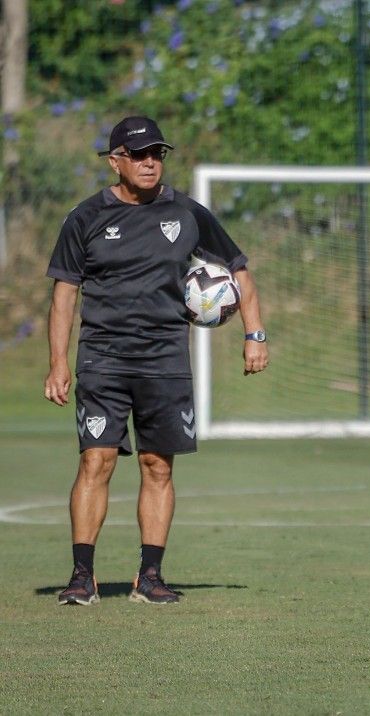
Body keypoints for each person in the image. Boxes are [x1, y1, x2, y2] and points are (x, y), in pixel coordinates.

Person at [44, 116, 269, 605]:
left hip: (165, 360)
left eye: (157, 154)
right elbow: (64, 294)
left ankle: (150, 576)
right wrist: (58, 362)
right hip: (103, 359)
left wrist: (255, 335)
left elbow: (239, 272)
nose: (150, 163)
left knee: (157, 466)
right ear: (115, 161)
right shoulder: (84, 218)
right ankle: (83, 575)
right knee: (96, 460)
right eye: (139, 154)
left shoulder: (188, 213)